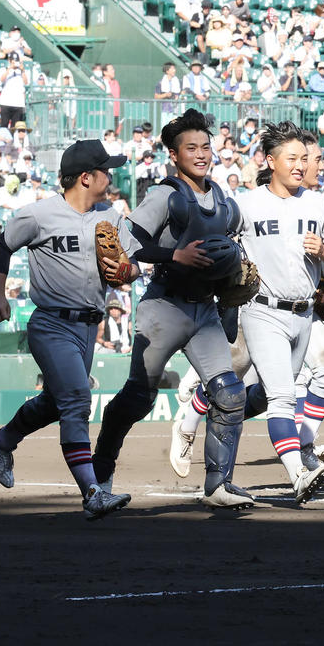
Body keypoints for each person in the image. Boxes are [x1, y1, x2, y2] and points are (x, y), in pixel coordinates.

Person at [92, 109, 255, 509]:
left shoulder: (224, 201)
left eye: (206, 147)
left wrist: (231, 301)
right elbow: (129, 239)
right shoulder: (165, 194)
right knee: (137, 398)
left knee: (230, 394)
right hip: (163, 306)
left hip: (205, 310)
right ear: (173, 154)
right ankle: (99, 477)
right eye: (191, 148)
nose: (201, 154)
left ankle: (218, 486)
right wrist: (174, 255)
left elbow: (233, 257)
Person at [0, 139, 134, 519]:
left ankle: (0, 440)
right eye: (105, 170)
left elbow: (131, 265)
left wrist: (125, 270)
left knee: (55, 403)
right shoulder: (39, 214)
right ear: (86, 177)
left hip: (88, 330)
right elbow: (2, 248)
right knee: (78, 400)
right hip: (50, 323)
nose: (110, 175)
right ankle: (92, 493)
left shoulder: (110, 216)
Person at [235, 122, 324, 501]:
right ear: (270, 161)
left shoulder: (318, 204)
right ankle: (298, 472)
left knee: (271, 394)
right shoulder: (245, 204)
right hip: (261, 309)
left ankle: (220, 409)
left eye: (304, 158)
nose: (300, 165)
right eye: (292, 158)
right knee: (284, 395)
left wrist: (323, 251)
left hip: (304, 313)